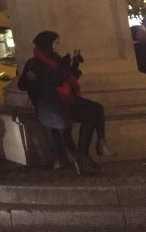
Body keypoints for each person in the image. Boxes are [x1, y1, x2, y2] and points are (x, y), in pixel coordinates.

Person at [18, 30, 113, 174]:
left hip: (66, 100)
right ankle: (80, 159)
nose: (57, 46)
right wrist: (28, 77)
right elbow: (55, 80)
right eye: (55, 43)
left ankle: (90, 148)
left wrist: (74, 64)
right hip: (51, 105)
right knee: (64, 124)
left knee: (95, 109)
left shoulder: (56, 60)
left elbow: (66, 79)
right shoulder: (34, 63)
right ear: (47, 44)